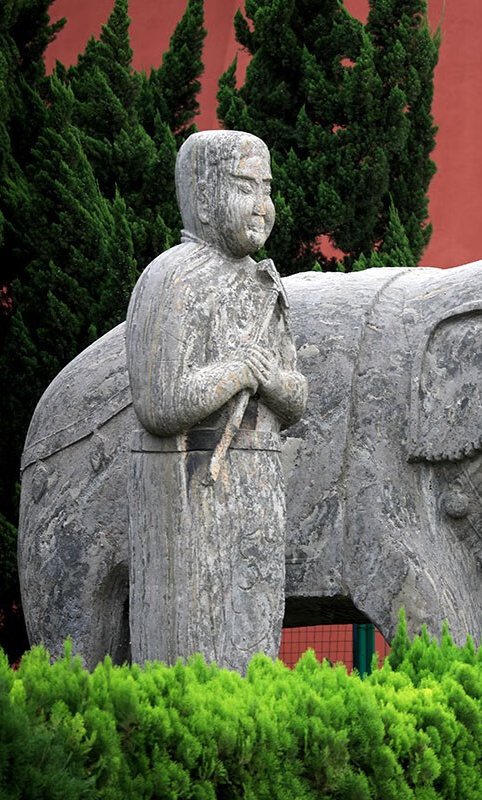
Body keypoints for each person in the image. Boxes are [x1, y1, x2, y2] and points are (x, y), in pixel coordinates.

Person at [125, 130, 307, 671]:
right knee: (195, 638)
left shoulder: (263, 284)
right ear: (203, 199)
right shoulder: (172, 281)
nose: (262, 207)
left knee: (253, 629)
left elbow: (296, 397)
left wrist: (271, 379)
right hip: (191, 486)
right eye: (245, 187)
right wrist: (234, 373)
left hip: (258, 486)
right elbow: (157, 404)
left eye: (267, 189)